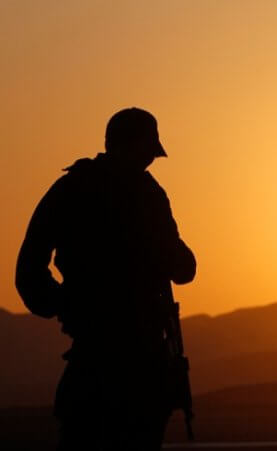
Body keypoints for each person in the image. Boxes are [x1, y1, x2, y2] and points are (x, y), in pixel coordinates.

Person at [16, 107, 196, 450]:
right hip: (131, 368)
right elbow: (184, 268)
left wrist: (64, 305)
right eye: (148, 152)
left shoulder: (72, 188)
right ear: (135, 146)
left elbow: (29, 272)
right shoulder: (147, 195)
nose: (150, 162)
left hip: (99, 361)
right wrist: (68, 305)